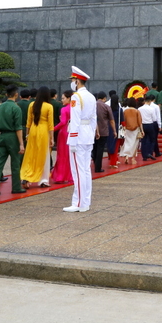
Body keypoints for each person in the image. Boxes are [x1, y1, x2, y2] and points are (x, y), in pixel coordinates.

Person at [64, 66, 96, 213]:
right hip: (88, 135)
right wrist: (92, 134)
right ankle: (85, 202)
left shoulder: (77, 96)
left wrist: (73, 140)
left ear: (77, 81)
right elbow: (94, 119)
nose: (72, 82)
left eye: (73, 80)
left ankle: (78, 203)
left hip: (79, 136)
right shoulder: (91, 96)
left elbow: (75, 119)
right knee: (86, 171)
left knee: (78, 171)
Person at [0, 86, 25, 194]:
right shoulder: (16, 108)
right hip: (12, 137)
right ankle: (16, 187)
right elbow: (18, 128)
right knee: (15, 163)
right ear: (16, 95)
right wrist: (21, 144)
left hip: (2, 136)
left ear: (6, 95)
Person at [20, 86, 53, 188]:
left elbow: (28, 122)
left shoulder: (31, 105)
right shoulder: (48, 106)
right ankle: (43, 180)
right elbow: (50, 125)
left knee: (31, 155)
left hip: (33, 131)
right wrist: (52, 138)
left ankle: (26, 176)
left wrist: (27, 134)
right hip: (44, 132)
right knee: (44, 155)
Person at [51, 91, 73, 184]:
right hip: (72, 133)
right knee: (69, 155)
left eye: (63, 98)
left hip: (64, 133)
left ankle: (60, 176)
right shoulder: (75, 108)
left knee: (62, 155)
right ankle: (69, 175)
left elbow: (63, 122)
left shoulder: (64, 109)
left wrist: (52, 129)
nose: (62, 100)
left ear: (69, 98)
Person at [93, 91, 115, 172]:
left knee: (94, 148)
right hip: (103, 130)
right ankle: (98, 167)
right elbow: (111, 120)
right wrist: (114, 131)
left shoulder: (92, 105)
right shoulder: (106, 107)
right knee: (100, 149)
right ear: (105, 98)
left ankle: (95, 163)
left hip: (92, 130)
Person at [119, 98, 142, 165]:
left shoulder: (125, 111)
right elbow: (140, 122)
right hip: (135, 129)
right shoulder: (137, 111)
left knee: (127, 142)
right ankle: (133, 158)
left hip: (127, 128)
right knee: (134, 144)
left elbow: (123, 120)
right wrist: (142, 130)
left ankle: (126, 156)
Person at [139, 93, 161, 160]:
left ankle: (144, 155)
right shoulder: (152, 109)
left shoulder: (140, 109)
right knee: (152, 140)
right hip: (150, 124)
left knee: (144, 140)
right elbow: (154, 118)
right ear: (149, 101)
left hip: (142, 125)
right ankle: (149, 152)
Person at [106, 92, 121, 169]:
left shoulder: (108, 109)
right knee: (116, 146)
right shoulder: (119, 110)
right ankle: (113, 162)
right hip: (116, 128)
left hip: (108, 128)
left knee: (110, 145)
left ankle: (111, 161)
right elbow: (123, 121)